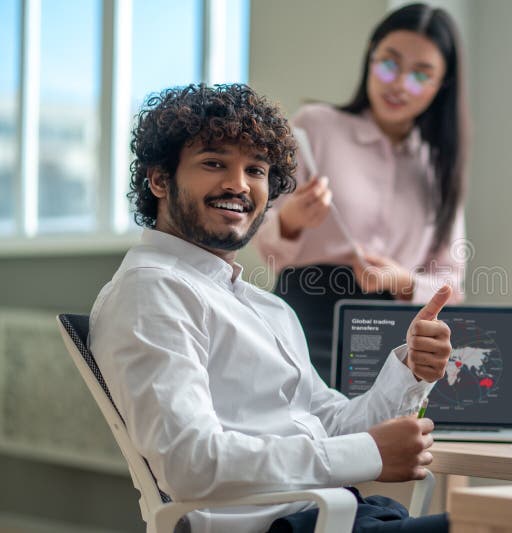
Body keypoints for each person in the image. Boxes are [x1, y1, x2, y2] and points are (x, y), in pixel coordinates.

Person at [89, 83, 453, 533]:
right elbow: (191, 463)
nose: (239, 184)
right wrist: (369, 454)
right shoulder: (152, 291)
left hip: (340, 516)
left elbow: (335, 425)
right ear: (159, 179)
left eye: (256, 170)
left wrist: (412, 368)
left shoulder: (267, 308)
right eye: (214, 163)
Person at [254, 3, 469, 384]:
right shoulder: (314, 127)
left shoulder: (437, 168)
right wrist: (290, 222)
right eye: (389, 64)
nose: (400, 84)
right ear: (370, 57)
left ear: (442, 85)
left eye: (421, 75)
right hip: (306, 317)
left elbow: (451, 284)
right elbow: (267, 246)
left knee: (393, 438)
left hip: (397, 333)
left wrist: (401, 279)